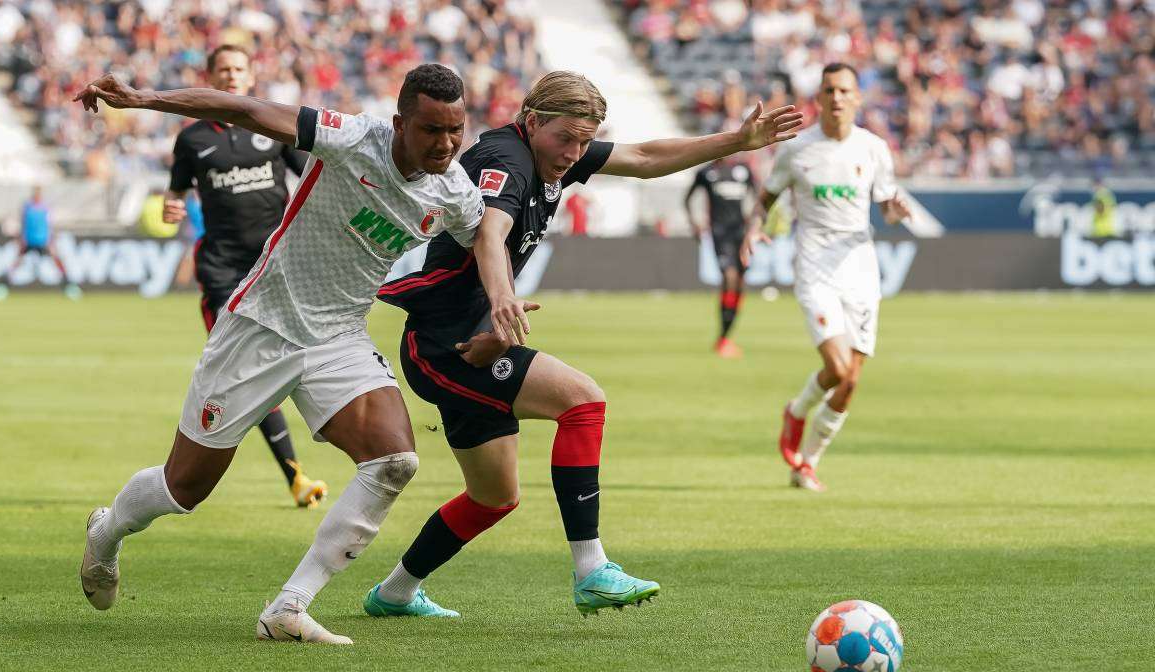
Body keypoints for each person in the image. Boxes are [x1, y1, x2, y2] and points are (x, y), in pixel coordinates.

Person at [73, 64, 490, 644]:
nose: (446, 144)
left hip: (337, 335)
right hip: (260, 326)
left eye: (456, 131)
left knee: (394, 460)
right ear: (399, 124)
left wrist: (502, 301)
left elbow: (489, 237)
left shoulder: (454, 190)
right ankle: (107, 530)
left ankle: (289, 607)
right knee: (182, 489)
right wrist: (146, 98)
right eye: (431, 130)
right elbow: (245, 108)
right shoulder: (352, 137)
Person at [369, 71, 803, 617]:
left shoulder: (552, 152)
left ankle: (394, 593)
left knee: (493, 498)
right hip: (445, 345)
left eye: (584, 140)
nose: (574, 153)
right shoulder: (508, 160)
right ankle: (592, 569)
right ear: (532, 122)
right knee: (584, 401)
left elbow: (644, 158)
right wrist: (502, 302)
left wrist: (737, 141)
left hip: (476, 338)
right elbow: (490, 234)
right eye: (566, 139)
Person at [163, 45, 326, 509]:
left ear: (250, 76)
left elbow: (313, 175)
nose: (232, 76)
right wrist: (171, 206)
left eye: (239, 69)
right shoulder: (192, 140)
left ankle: (312, 467)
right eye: (223, 70)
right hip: (220, 269)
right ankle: (295, 476)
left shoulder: (274, 128)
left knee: (296, 357)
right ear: (211, 77)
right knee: (243, 368)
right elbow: (173, 195)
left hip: (273, 266)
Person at [742, 63, 912, 492]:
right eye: (829, 90)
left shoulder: (873, 149)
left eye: (844, 90)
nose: (836, 97)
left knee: (850, 380)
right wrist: (754, 226)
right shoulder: (797, 149)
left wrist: (896, 211)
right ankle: (797, 412)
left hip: (860, 269)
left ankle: (808, 463)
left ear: (857, 98)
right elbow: (766, 198)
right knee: (835, 367)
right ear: (818, 98)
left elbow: (887, 205)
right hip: (815, 268)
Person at [684, 156, 762, 358]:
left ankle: (726, 337)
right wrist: (695, 223)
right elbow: (687, 199)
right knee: (730, 277)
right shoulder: (706, 172)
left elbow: (759, 198)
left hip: (740, 234)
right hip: (719, 233)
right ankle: (723, 339)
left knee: (739, 284)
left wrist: (755, 224)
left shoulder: (743, 170)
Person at [0, 187, 80, 300]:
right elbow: (23, 223)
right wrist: (21, 238)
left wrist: (51, 239)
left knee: (57, 262)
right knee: (16, 264)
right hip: (29, 240)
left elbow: (49, 225)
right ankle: (2, 287)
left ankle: (69, 287)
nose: (37, 196)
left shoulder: (46, 207)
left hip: (43, 241)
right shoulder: (27, 207)